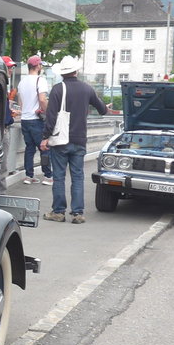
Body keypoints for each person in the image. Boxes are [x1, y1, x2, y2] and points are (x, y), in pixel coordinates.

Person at [39, 55, 107, 224]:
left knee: (59, 176)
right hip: (79, 140)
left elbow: (51, 116)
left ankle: (58, 212)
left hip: (61, 141)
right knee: (77, 177)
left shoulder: (57, 89)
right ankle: (77, 214)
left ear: (62, 73)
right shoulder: (87, 89)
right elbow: (102, 110)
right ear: (76, 71)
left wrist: (45, 137)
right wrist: (105, 108)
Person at [16, 55, 51, 185]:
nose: (41, 67)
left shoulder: (22, 82)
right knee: (44, 148)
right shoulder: (40, 80)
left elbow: (21, 102)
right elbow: (42, 99)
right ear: (37, 66)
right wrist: (47, 112)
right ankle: (48, 176)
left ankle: (29, 176)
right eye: (41, 65)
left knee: (29, 148)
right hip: (36, 120)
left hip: (25, 119)